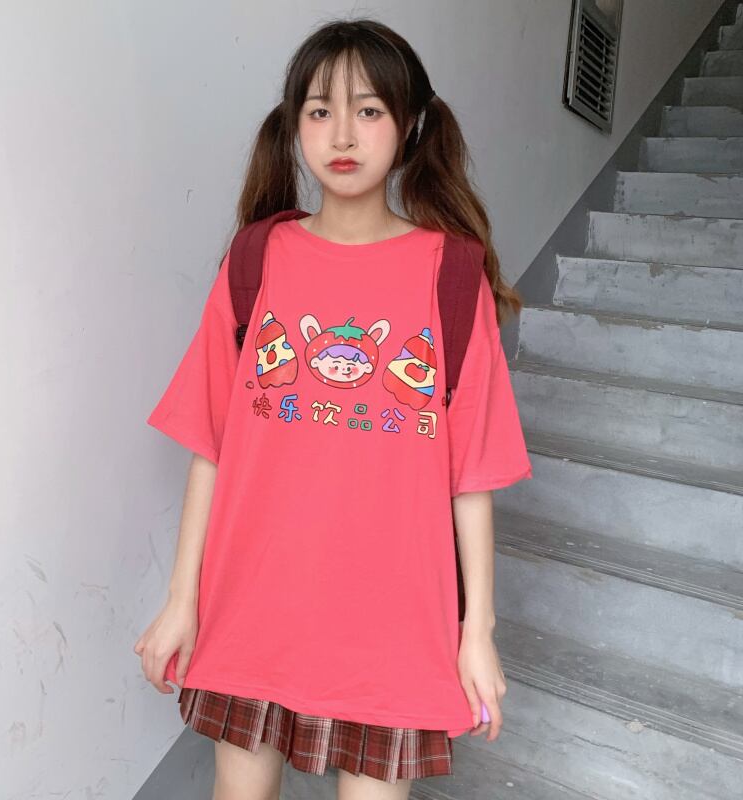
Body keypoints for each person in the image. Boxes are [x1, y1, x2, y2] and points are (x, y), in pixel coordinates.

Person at [134, 16, 532, 800]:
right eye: (320, 111)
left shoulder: (452, 277)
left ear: (409, 125)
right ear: (294, 126)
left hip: (394, 629)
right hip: (254, 607)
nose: (342, 135)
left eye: (368, 110)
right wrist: (182, 601)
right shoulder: (256, 260)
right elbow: (211, 445)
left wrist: (476, 633)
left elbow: (471, 477)